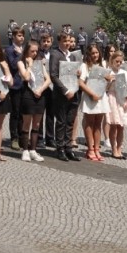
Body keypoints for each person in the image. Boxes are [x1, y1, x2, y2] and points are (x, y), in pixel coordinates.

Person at [48, 33, 81, 162]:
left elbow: (73, 74)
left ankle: (69, 148)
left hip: (74, 93)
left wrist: (77, 74)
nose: (68, 43)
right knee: (61, 122)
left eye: (69, 41)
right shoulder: (55, 54)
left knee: (70, 121)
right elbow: (54, 75)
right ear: (59, 41)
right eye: (65, 41)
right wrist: (65, 91)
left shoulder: (72, 56)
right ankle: (60, 148)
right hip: (62, 94)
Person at [78, 45, 112, 162]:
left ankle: (97, 149)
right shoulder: (85, 66)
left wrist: (108, 81)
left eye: (96, 53)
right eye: (93, 53)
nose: (95, 55)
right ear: (88, 54)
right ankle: (90, 149)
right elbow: (81, 83)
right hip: (89, 97)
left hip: (101, 98)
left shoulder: (102, 66)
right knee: (89, 123)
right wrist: (92, 94)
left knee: (98, 124)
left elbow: (106, 87)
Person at [17, 40, 49, 162]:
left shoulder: (40, 62)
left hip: (40, 95)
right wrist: (29, 65)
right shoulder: (21, 62)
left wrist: (41, 89)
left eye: (36, 51)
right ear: (27, 51)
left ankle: (33, 150)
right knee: (26, 123)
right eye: (32, 51)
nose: (35, 53)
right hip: (27, 94)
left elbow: (48, 79)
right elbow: (26, 77)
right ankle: (25, 150)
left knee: (36, 124)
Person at [104, 50, 127, 159]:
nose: (119, 63)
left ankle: (119, 148)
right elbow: (105, 88)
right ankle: (114, 149)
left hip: (122, 99)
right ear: (112, 61)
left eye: (120, 62)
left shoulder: (124, 73)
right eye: (117, 61)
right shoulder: (108, 72)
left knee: (121, 126)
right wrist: (110, 81)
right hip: (112, 98)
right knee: (114, 125)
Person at [5, 27, 26, 151]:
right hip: (15, 85)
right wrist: (21, 55)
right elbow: (13, 65)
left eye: (22, 35)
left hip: (26, 84)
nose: (21, 37)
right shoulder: (9, 50)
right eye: (18, 35)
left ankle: (23, 137)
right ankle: (14, 138)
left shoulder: (25, 49)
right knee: (15, 112)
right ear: (13, 37)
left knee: (24, 113)